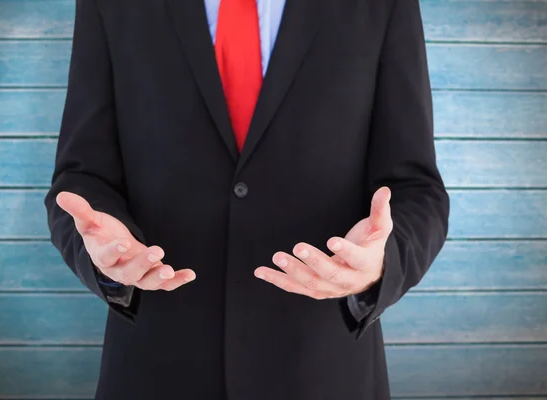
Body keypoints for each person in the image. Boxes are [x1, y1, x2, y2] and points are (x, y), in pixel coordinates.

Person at [44, 0, 450, 398]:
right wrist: (105, 252)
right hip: (156, 367)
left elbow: (416, 188)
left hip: (321, 370)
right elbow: (81, 178)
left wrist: (380, 263)